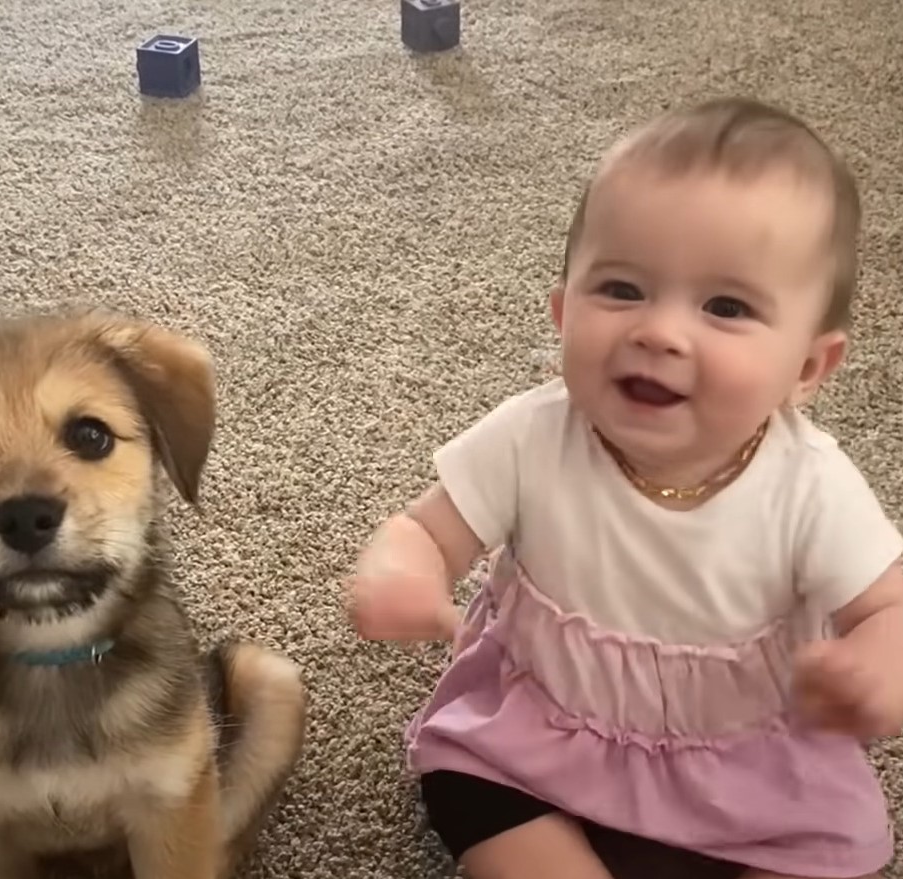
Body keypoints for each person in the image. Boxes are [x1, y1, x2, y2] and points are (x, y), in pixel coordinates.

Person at [347, 96, 903, 879]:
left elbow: (887, 603)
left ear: (807, 368)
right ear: (560, 309)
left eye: (725, 306)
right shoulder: (532, 432)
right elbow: (429, 528)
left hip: (747, 759)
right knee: (467, 788)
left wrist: (881, 663)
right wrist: (401, 568)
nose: (659, 331)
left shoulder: (809, 484)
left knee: (829, 858)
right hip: (544, 725)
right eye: (620, 290)